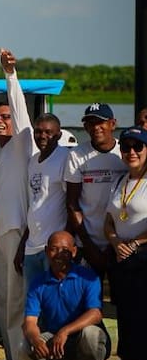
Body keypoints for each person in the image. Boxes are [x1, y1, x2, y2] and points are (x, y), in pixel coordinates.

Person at [0, 50, 34, 360]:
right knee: (3, 303)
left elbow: (18, 106)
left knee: (16, 303)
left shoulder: (23, 142)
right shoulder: (2, 154)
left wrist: (9, 74)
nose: (2, 120)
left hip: (18, 234)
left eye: (6, 116)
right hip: (1, 235)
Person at [20, 231, 109, 360]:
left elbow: (96, 313)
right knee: (25, 349)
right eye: (54, 249)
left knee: (90, 334)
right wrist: (36, 340)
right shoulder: (38, 282)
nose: (59, 254)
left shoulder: (88, 277)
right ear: (46, 251)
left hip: (84, 339)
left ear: (74, 252)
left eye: (65, 250)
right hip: (57, 342)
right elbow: (30, 321)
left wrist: (65, 331)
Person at [105, 126, 147, 360]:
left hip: (143, 259)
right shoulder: (119, 181)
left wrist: (134, 243)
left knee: (144, 323)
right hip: (121, 259)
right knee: (127, 323)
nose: (131, 152)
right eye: (126, 147)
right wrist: (114, 239)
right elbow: (109, 218)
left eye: (138, 147)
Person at [65, 103, 126, 276]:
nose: (96, 127)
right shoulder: (76, 155)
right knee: (87, 301)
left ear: (113, 124)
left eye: (101, 122)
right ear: (85, 127)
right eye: (90, 123)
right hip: (87, 242)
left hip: (119, 242)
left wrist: (113, 242)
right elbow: (72, 204)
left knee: (123, 300)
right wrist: (88, 244)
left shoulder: (126, 152)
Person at [17, 114, 69, 292]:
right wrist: (22, 245)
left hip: (54, 249)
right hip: (32, 247)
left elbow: (72, 203)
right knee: (33, 304)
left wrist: (66, 245)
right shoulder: (33, 161)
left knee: (54, 301)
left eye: (48, 132)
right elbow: (35, 205)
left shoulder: (65, 158)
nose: (42, 136)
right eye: (38, 131)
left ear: (59, 135)